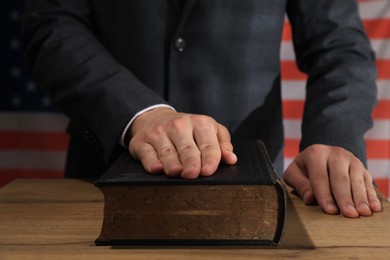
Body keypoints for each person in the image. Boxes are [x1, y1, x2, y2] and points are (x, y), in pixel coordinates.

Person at [22, 0, 382, 218]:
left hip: (250, 191)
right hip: (100, 180)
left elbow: (340, 47)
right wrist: (141, 112)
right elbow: (52, 26)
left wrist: (335, 138)